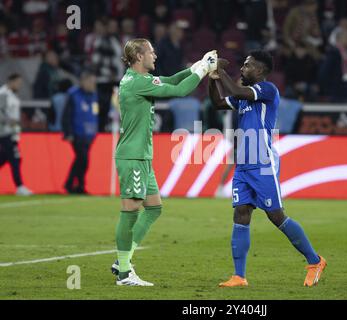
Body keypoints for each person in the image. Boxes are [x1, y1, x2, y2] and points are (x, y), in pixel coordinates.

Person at [208, 50, 326, 288]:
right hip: (243, 164)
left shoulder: (267, 90)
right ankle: (239, 276)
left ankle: (315, 261)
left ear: (260, 71)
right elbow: (219, 103)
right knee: (241, 213)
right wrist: (212, 78)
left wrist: (220, 71)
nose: (242, 68)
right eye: (242, 65)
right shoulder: (244, 97)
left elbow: (237, 90)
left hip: (262, 163)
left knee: (276, 216)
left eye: (247, 65)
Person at [111, 38, 218, 286]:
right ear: (139, 56)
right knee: (130, 211)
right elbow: (179, 91)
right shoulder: (137, 83)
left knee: (154, 207)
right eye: (151, 52)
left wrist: (198, 65)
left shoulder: (139, 79)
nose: (155, 56)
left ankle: (122, 261)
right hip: (133, 156)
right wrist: (203, 70)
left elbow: (170, 81)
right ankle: (125, 273)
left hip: (142, 156)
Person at [62, 71, 99, 194]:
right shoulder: (73, 94)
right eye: (91, 82)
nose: (93, 84)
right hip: (77, 133)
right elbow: (66, 115)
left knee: (80, 160)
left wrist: (95, 131)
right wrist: (68, 133)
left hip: (89, 134)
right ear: (83, 81)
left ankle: (70, 184)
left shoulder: (94, 95)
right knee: (83, 160)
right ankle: (80, 186)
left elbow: (95, 113)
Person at [0, 73, 33, 196]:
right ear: (11, 81)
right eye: (18, 82)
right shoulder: (3, 93)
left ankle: (20, 186)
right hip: (4, 132)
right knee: (15, 158)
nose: (19, 85)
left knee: (5, 158)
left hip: (12, 132)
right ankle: (19, 186)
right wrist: (9, 121)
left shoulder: (12, 94)